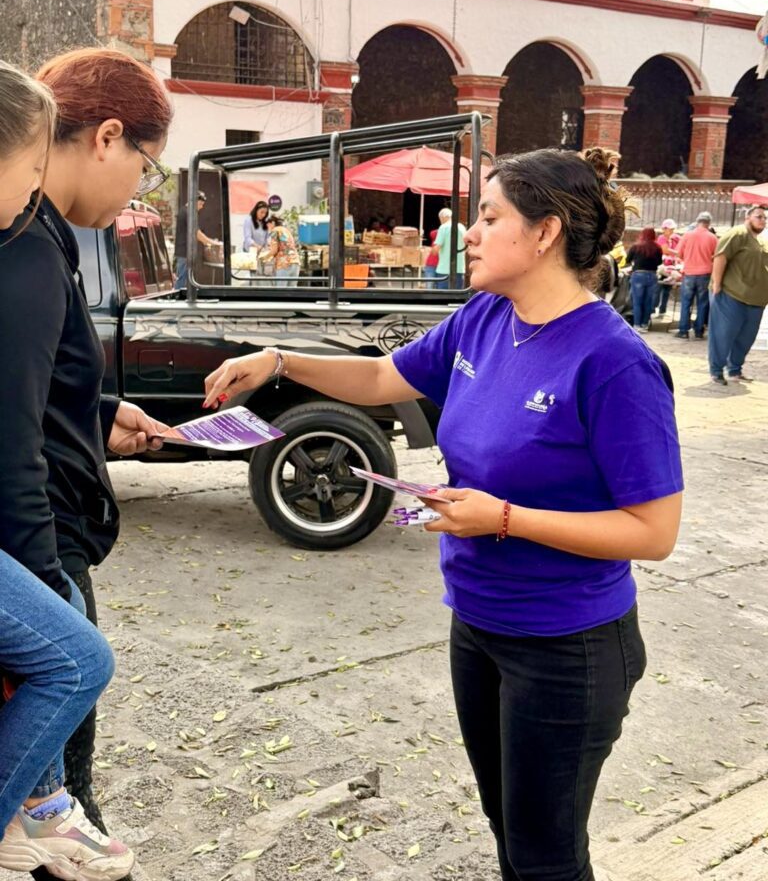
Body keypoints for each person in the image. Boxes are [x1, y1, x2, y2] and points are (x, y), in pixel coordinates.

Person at [202, 146, 683, 881]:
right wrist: (279, 361)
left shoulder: (615, 362)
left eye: (489, 217)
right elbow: (379, 375)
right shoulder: (486, 317)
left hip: (568, 648)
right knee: (507, 829)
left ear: (546, 233)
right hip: (478, 626)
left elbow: (653, 532)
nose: (471, 233)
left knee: (547, 855)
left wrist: (504, 519)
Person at [0, 48, 174, 881]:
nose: (140, 187)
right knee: (61, 818)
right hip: (41, 549)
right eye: (146, 165)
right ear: (108, 137)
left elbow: (29, 395)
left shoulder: (45, 234)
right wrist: (50, 586)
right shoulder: (28, 245)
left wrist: (100, 414)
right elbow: (9, 445)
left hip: (46, 544)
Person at [708, 204, 768, 385]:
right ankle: (716, 371)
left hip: (756, 300)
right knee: (723, 334)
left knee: (746, 337)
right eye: (759, 216)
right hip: (732, 295)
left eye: (765, 218)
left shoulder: (762, 241)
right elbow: (721, 256)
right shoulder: (737, 233)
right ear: (747, 218)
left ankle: (735, 370)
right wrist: (717, 284)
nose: (763, 220)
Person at [675, 211, 718, 340]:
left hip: (689, 273)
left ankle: (683, 331)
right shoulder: (713, 238)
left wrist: (687, 258)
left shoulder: (687, 235)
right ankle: (699, 331)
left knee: (686, 303)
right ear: (709, 223)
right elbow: (717, 256)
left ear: (697, 221)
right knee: (702, 303)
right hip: (705, 273)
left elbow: (678, 253)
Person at [174, 189, 218, 288]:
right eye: (200, 204)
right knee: (182, 280)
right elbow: (197, 234)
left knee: (184, 280)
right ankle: (179, 301)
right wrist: (213, 243)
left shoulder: (184, 211)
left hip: (185, 252)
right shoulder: (188, 213)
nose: (201, 207)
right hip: (184, 252)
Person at [626, 227, 663, 332]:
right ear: (654, 235)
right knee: (648, 301)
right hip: (652, 275)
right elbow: (659, 262)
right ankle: (645, 324)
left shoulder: (636, 247)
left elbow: (627, 259)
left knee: (637, 301)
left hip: (638, 275)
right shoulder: (657, 248)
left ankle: (637, 324)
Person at [259, 214, 300, 285]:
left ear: (273, 223)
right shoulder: (286, 230)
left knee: (281, 292)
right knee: (292, 293)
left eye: (268, 225)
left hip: (284, 264)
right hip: (296, 262)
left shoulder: (275, 231)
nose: (267, 227)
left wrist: (263, 258)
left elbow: (274, 250)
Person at [434, 207, 466, 289]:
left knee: (443, 298)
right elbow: (467, 247)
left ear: (443, 217)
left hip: (444, 269)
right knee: (457, 297)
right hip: (459, 268)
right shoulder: (462, 227)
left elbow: (436, 248)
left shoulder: (443, 227)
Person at [654, 218, 680, 317]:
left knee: (667, 289)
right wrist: (678, 253)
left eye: (673, 229)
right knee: (658, 288)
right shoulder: (661, 238)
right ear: (664, 229)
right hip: (662, 267)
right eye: (670, 229)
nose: (672, 231)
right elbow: (665, 250)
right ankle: (653, 308)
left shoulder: (675, 238)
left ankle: (663, 309)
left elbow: (682, 246)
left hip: (672, 267)